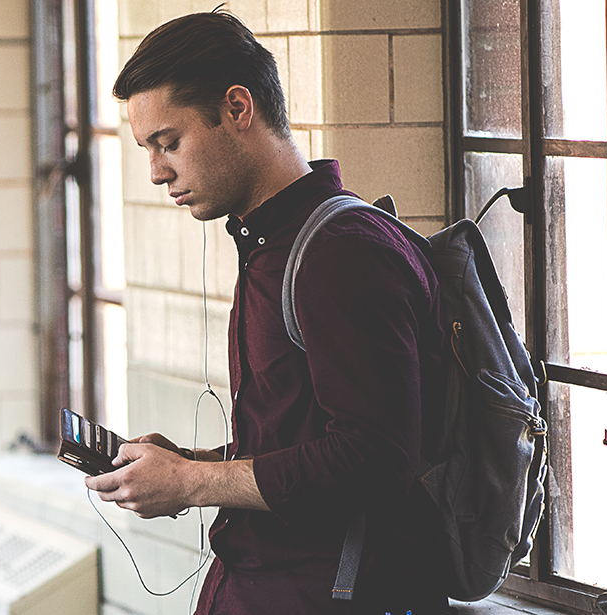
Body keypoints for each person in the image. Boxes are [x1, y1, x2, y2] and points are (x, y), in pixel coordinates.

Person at [84, 9, 450, 615]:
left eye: (169, 142)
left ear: (237, 108)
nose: (155, 172)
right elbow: (297, 444)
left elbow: (375, 459)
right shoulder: (272, 247)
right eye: (148, 148)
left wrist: (190, 483)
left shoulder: (341, 253)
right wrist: (185, 466)